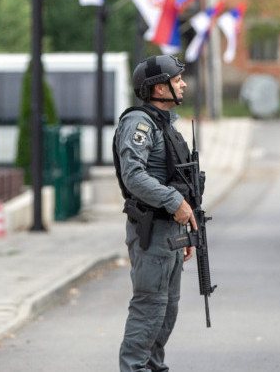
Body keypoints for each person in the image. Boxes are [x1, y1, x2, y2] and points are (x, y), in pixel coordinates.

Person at [115, 54, 199, 372]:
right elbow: (133, 175)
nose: (183, 83)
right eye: (177, 80)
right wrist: (175, 203)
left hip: (171, 232)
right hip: (152, 231)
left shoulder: (165, 125)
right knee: (149, 307)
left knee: (167, 311)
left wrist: (187, 230)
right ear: (159, 88)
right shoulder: (139, 123)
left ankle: (152, 367)